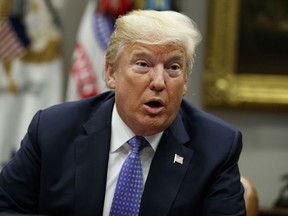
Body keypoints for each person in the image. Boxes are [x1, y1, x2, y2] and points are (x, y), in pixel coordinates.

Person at [0, 10, 246, 215]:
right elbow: (7, 207)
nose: (159, 81)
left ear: (185, 82)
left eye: (173, 67)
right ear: (111, 73)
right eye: (143, 64)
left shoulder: (216, 147)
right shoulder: (53, 129)